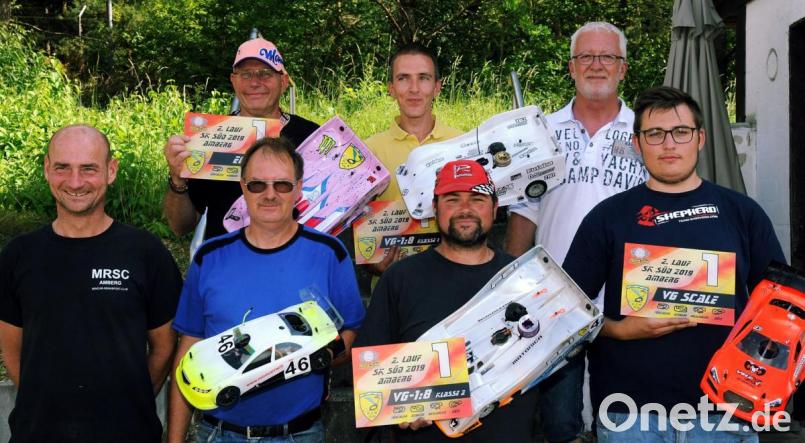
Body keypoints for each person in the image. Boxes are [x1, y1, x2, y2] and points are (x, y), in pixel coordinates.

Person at [562, 86, 785, 441]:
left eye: (680, 132)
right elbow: (565, 311)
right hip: (629, 413)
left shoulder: (742, 213)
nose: (669, 144)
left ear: (700, 138)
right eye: (655, 133)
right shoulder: (607, 218)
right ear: (637, 143)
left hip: (724, 411)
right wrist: (621, 330)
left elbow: (778, 310)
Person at [168, 137, 366, 443]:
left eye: (282, 185)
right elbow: (187, 353)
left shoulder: (329, 253)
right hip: (219, 433)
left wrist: (318, 357)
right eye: (258, 185)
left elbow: (351, 330)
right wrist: (175, 439)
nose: (270, 194)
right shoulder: (210, 257)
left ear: (299, 189)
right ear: (243, 187)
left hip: (299, 433)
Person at [503, 22, 646, 443]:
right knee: (559, 425)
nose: (596, 65)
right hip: (553, 303)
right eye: (586, 57)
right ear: (571, 67)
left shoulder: (646, 134)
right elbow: (523, 212)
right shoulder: (541, 133)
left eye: (608, 57)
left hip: (626, 305)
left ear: (623, 68)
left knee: (621, 423)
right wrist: (514, 287)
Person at [0, 124, 182, 442]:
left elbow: (165, 348)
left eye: (88, 168)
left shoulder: (145, 252)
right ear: (47, 169)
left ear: (111, 171)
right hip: (38, 433)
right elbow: (12, 351)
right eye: (62, 168)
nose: (75, 182)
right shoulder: (18, 256)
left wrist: (128, 403)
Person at [356, 159, 538, 442]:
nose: (465, 209)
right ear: (435, 207)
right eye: (452, 199)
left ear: (494, 207)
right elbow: (370, 376)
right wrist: (398, 408)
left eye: (477, 199)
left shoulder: (525, 278)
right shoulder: (401, 279)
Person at [163, 38, 319, 240]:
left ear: (283, 82)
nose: (255, 82)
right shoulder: (209, 139)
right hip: (227, 263)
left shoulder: (313, 136)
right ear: (233, 81)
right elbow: (180, 226)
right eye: (245, 74)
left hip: (295, 263)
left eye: (265, 73)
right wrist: (177, 179)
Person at [364, 43, 463, 275]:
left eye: (424, 78)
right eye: (403, 78)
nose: (414, 88)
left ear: (437, 87)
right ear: (391, 88)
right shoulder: (369, 151)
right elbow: (362, 223)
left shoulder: (462, 145)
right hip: (393, 284)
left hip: (452, 279)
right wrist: (372, 261)